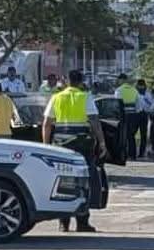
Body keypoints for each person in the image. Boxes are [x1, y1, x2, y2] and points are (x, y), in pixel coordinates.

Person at [43, 69, 103, 233]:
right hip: (82, 145)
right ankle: (82, 221)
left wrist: (46, 145)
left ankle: (63, 222)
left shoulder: (56, 97)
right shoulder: (85, 97)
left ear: (67, 81)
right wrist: (102, 142)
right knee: (83, 182)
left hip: (60, 145)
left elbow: (47, 124)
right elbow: (94, 121)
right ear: (81, 81)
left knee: (63, 180)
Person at [115, 73, 141, 160]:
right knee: (131, 136)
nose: (118, 81)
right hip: (133, 116)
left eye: (119, 80)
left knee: (122, 136)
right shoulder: (134, 90)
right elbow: (139, 107)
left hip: (122, 117)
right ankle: (132, 155)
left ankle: (123, 155)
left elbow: (116, 105)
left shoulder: (119, 90)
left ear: (122, 80)